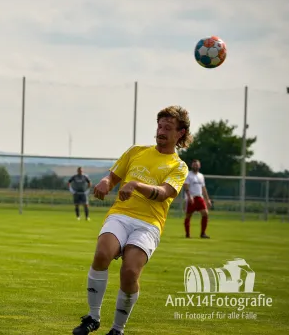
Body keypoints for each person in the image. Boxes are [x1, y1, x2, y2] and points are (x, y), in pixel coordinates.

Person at [72, 106, 191, 335]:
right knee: (102, 254)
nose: (162, 131)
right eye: (160, 125)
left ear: (180, 134)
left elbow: (164, 193)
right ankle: (92, 317)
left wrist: (136, 184)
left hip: (149, 224)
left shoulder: (179, 166)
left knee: (129, 272)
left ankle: (117, 329)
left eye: (168, 127)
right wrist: (106, 182)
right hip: (121, 214)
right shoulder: (136, 150)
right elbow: (112, 176)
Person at [183, 159, 212, 239]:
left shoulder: (201, 176)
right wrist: (189, 196)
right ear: (192, 166)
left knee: (205, 213)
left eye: (197, 165)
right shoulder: (188, 175)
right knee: (188, 216)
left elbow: (203, 188)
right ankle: (187, 234)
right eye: (194, 164)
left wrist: (207, 199)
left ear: (199, 166)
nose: (195, 166)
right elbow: (186, 186)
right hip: (191, 198)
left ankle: (203, 233)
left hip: (199, 197)